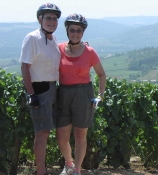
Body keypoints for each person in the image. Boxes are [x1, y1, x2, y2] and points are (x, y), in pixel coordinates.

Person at [56, 13, 106, 175]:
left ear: (83, 32)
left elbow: (101, 74)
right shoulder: (59, 49)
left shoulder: (90, 52)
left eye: (79, 30)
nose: (75, 33)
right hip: (63, 93)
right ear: (67, 31)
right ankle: (68, 164)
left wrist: (100, 95)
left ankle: (77, 170)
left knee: (80, 134)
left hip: (84, 93)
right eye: (72, 30)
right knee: (62, 135)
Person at [19, 3, 61, 175]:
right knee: (42, 132)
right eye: (48, 18)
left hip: (52, 88)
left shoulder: (53, 39)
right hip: (39, 89)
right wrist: (31, 94)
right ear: (40, 19)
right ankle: (40, 172)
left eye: (55, 18)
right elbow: (24, 67)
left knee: (46, 130)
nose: (52, 21)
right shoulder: (32, 38)